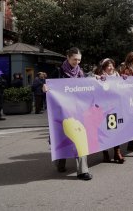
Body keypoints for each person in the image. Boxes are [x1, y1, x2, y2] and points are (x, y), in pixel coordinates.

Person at [47, 47, 92, 181]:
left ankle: (82, 171)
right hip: (61, 112)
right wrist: (45, 88)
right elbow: (48, 86)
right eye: (74, 59)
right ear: (68, 57)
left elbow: (86, 88)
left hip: (77, 112)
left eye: (79, 60)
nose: (77, 62)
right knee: (61, 138)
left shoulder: (80, 72)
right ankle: (60, 162)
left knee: (80, 138)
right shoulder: (58, 72)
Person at [98, 58, 125, 164]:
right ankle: (105, 153)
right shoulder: (99, 75)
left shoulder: (117, 75)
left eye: (112, 65)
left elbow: (122, 87)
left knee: (115, 129)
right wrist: (98, 79)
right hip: (104, 107)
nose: (111, 67)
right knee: (105, 130)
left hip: (115, 106)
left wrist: (124, 79)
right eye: (108, 65)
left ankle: (117, 152)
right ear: (104, 67)